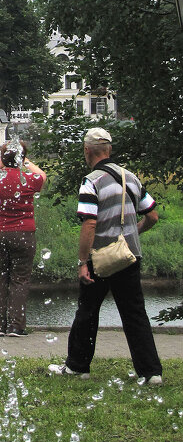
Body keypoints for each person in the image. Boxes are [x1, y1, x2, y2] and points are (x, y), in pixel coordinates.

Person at [48, 128, 163, 383]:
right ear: (109, 150)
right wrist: (131, 234)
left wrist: (82, 262)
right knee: (135, 313)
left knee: (88, 311)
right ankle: (151, 373)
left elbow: (90, 222)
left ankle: (78, 367)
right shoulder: (131, 178)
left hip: (100, 257)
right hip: (129, 255)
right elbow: (153, 215)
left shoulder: (91, 181)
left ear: (87, 150)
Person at [0, 142, 47, 337]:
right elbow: (43, 176)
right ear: (21, 159)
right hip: (23, 233)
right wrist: (26, 162)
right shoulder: (28, 179)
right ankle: (16, 326)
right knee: (20, 279)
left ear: (2, 157)